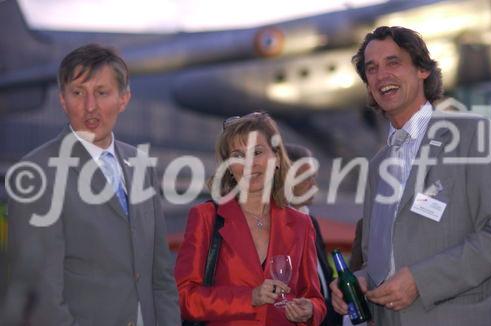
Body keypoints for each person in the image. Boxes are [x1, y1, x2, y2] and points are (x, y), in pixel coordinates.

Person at [331, 26, 491, 325]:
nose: (382, 75)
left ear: (422, 70)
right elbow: (376, 261)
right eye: (372, 69)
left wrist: (421, 280)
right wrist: (359, 281)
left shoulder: (475, 134)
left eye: (393, 62)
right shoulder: (376, 166)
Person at [4, 44, 180, 326]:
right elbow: (41, 296)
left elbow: (161, 277)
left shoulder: (141, 165)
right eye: (77, 93)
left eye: (102, 92)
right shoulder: (35, 173)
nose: (90, 107)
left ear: (124, 99)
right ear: (62, 99)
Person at [175, 112, 326, 325]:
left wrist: (310, 310)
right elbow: (184, 298)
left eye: (257, 152)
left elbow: (314, 297)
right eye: (237, 155)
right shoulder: (206, 217)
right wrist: (250, 297)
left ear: (275, 158)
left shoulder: (301, 224)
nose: (249, 164)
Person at [285, 143, 343, 326]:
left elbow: (323, 280)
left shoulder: (311, 221)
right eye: (305, 178)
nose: (313, 184)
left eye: (314, 177)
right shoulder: (273, 227)